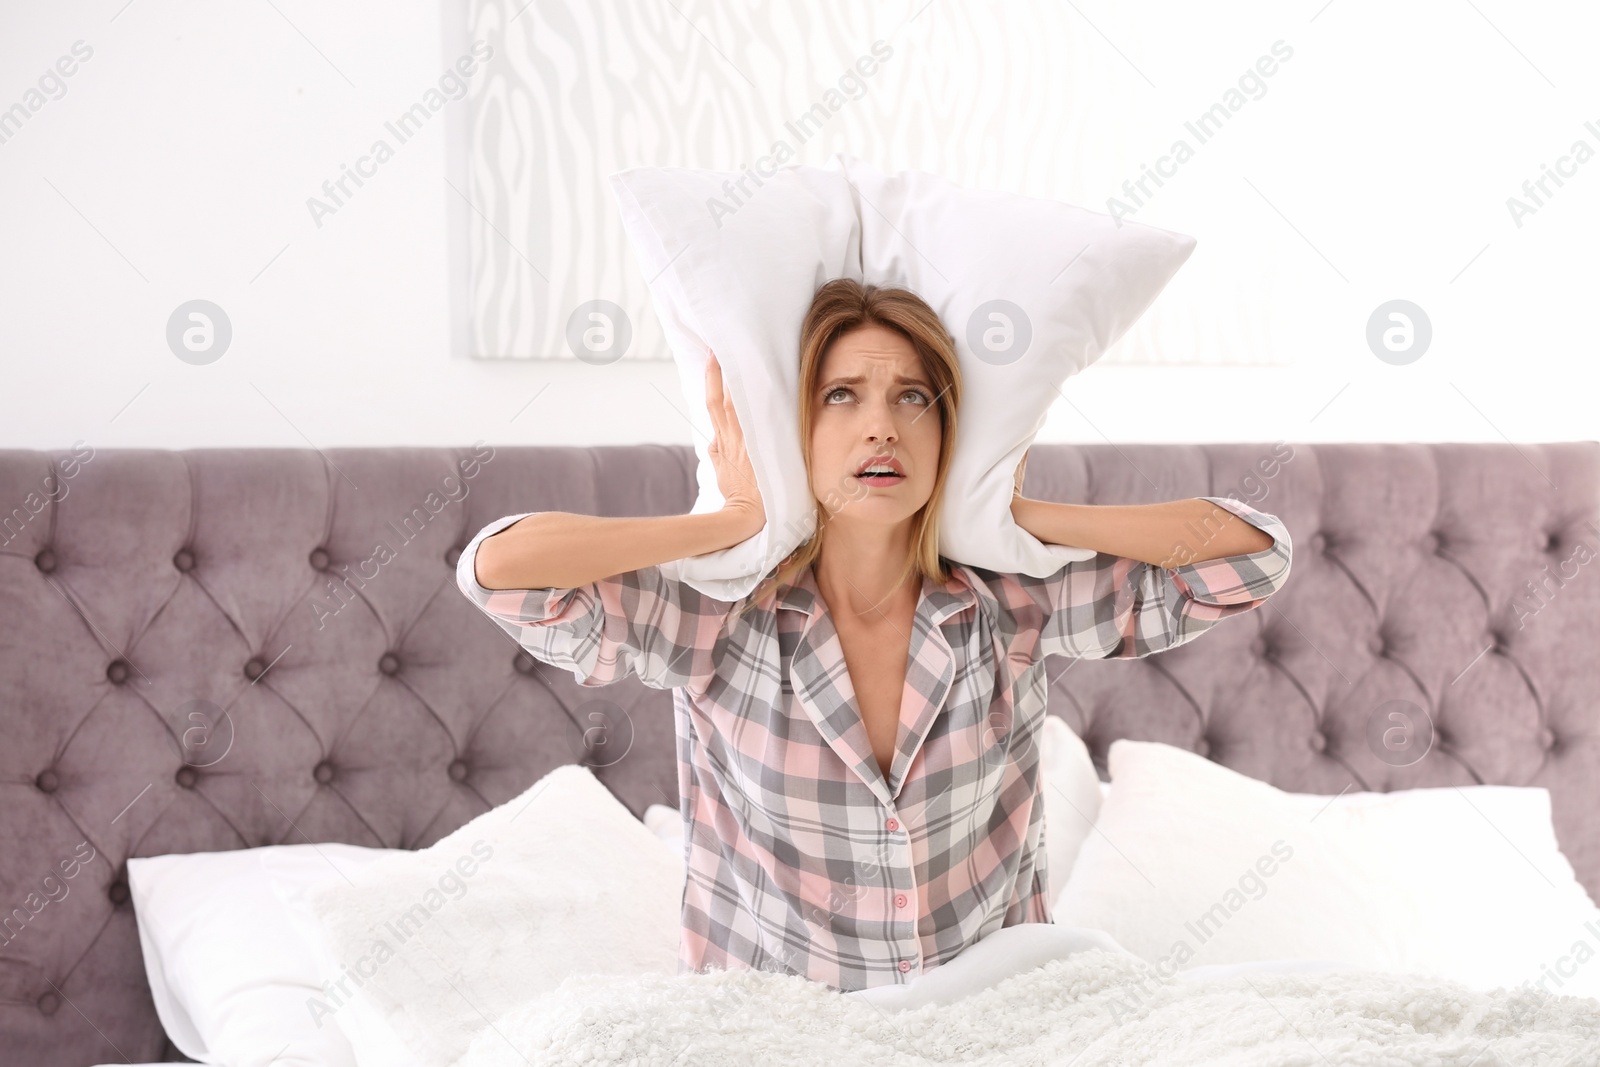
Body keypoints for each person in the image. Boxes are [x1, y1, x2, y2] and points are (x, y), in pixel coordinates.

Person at [456, 278, 1293, 994]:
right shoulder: (717, 616)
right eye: (842, 395)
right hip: (775, 1033)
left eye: (912, 398)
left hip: (991, 1024)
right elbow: (498, 568)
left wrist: (1008, 510)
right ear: (798, 432)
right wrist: (731, 522)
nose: (882, 427)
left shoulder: (1010, 606)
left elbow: (1254, 557)